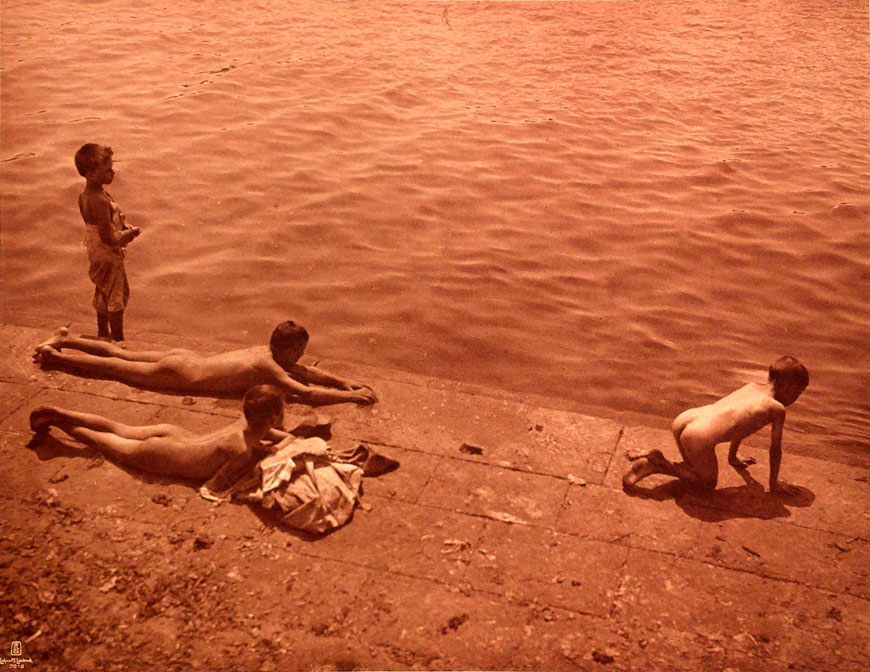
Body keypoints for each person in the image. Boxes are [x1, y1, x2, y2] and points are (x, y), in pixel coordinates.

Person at [33, 320, 377, 405]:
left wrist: (343, 382)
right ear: (287, 350)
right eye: (299, 351)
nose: (301, 358)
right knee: (116, 368)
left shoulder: (266, 352)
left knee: (122, 355)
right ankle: (54, 356)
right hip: (180, 373)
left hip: (185, 359)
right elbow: (304, 391)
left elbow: (307, 373)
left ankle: (65, 338)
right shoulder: (269, 367)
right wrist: (351, 397)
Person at [28, 384, 286, 486]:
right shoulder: (242, 452)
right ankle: (60, 424)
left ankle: (63, 412)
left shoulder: (243, 423)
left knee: (117, 428)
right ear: (274, 418)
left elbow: (270, 433)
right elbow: (214, 486)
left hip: (173, 435)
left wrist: (279, 443)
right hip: (165, 456)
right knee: (104, 442)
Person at [623, 356, 809, 495]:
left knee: (694, 466)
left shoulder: (751, 387)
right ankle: (659, 463)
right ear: (789, 388)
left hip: (686, 419)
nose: (795, 398)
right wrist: (774, 484)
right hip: (698, 436)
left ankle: (662, 463)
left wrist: (733, 457)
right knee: (706, 483)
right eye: (798, 393)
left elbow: (739, 423)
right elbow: (775, 450)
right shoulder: (776, 408)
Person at [74, 144, 142, 341]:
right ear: (90, 173)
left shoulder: (84, 195)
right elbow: (108, 237)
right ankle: (118, 340)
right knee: (117, 294)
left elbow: (94, 225)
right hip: (107, 253)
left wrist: (121, 226)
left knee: (103, 288)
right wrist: (128, 235)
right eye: (107, 171)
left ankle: (102, 332)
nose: (113, 173)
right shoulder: (100, 201)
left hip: (94, 251)